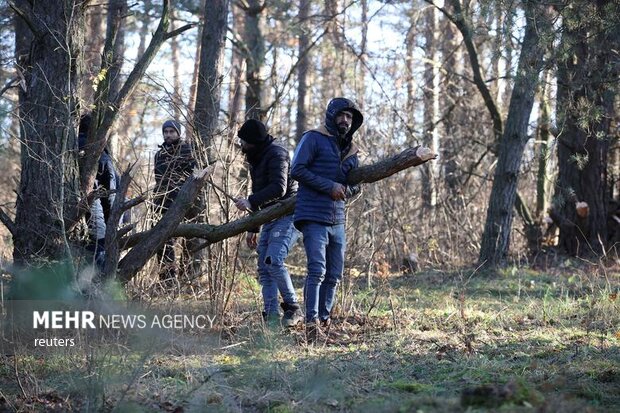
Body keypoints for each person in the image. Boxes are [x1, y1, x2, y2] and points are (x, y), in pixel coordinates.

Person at [291, 97, 362, 340]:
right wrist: (329, 186)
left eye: (350, 117)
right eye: (341, 115)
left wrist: (345, 191)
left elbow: (356, 185)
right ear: (331, 115)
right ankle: (311, 327)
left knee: (334, 274)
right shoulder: (313, 137)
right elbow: (296, 169)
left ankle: (324, 321)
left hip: (337, 219)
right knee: (317, 271)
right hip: (312, 214)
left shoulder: (352, 150)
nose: (345, 120)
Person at [234, 119, 303, 327]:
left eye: (244, 141)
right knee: (264, 268)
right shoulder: (256, 157)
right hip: (267, 217)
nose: (242, 145)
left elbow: (279, 189)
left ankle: (293, 308)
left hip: (287, 214)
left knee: (274, 260)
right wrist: (253, 227)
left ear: (254, 141)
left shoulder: (277, 154)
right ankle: (271, 315)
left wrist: (250, 201)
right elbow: (258, 193)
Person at [153, 119, 200, 285]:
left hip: (186, 203)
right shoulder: (159, 155)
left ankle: (188, 279)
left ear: (178, 133)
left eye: (172, 131)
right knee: (163, 242)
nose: (168, 135)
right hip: (164, 203)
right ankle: (168, 281)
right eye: (165, 132)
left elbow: (196, 178)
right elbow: (158, 180)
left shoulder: (187, 151)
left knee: (190, 240)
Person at [78, 113, 118, 271]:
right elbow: (110, 192)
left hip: (72, 209)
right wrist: (112, 220)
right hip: (94, 208)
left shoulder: (71, 145)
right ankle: (99, 284)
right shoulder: (99, 152)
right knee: (99, 244)